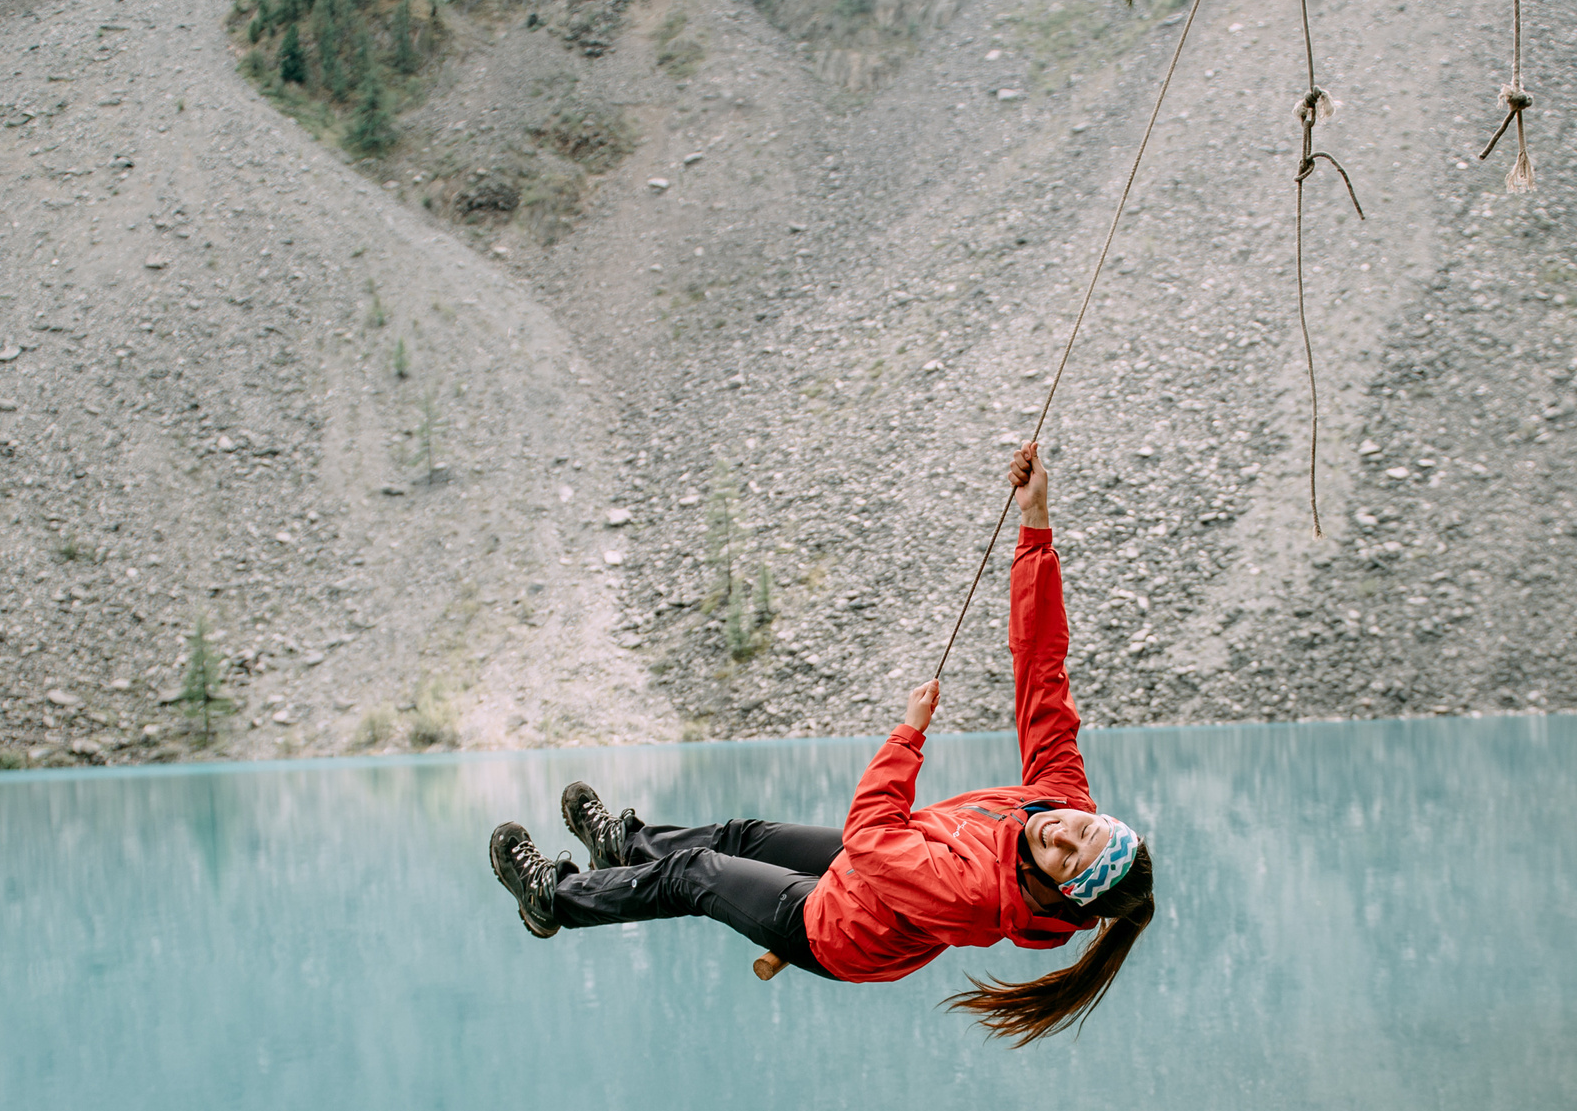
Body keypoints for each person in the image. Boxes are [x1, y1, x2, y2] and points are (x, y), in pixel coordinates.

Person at [487, 442, 1156, 1044]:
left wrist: (909, 734)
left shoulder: (976, 895)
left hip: (838, 928)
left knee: (696, 875)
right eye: (1087, 830)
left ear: (1063, 894)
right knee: (741, 835)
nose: (1063, 833)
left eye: (1072, 858)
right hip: (889, 870)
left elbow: (869, 835)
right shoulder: (1060, 799)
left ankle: (556, 901)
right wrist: (1035, 525)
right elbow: (1042, 668)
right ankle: (627, 846)